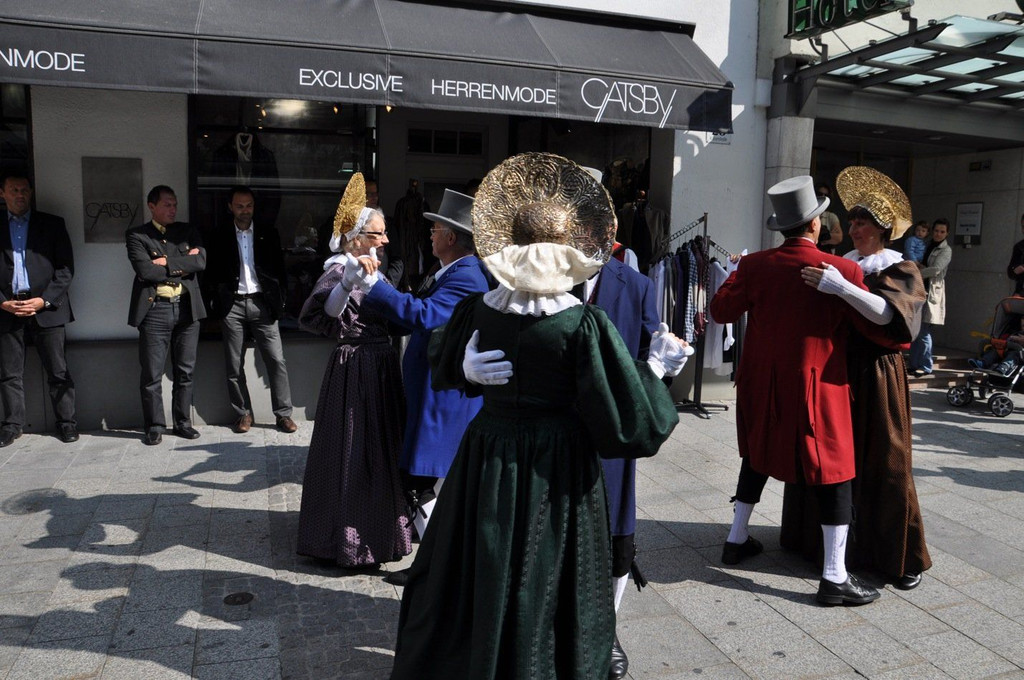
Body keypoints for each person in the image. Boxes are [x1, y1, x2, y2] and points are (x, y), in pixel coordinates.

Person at [387, 152, 684, 679]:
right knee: (546, 569)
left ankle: (480, 655)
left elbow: (441, 360)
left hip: (489, 453)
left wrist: (463, 369)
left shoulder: (478, 310)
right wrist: (657, 369)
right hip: (558, 464)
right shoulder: (581, 324)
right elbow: (629, 422)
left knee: (482, 557)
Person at [709, 175, 880, 607]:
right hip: (818, 383)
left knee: (757, 455)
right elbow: (872, 324)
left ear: (781, 225)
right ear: (815, 224)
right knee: (834, 470)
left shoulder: (755, 266)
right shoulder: (844, 269)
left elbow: (720, 311)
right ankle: (834, 576)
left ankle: (736, 539)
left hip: (762, 382)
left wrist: (734, 272)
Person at [782, 165, 931, 591]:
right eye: (851, 221)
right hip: (839, 368)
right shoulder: (842, 263)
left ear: (881, 228)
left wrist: (843, 289)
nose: (852, 228)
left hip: (879, 372)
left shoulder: (900, 267)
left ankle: (898, 556)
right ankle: (826, 547)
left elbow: (891, 319)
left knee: (887, 459)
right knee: (831, 457)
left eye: (861, 222)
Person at [359, 188, 490, 547]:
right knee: (418, 478)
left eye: (434, 230)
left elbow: (426, 315)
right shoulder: (449, 269)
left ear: (451, 237)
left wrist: (374, 285)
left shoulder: (467, 275)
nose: (429, 235)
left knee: (421, 480)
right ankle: (430, 547)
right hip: (431, 393)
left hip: (442, 398)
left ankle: (435, 556)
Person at [295, 173, 412, 568]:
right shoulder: (339, 269)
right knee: (352, 450)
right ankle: (346, 538)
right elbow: (328, 313)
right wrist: (347, 281)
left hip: (381, 364)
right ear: (357, 238)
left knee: (381, 449)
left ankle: (382, 531)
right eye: (378, 234)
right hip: (356, 366)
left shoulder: (375, 268)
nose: (386, 240)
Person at [204, 186, 296, 434]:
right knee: (234, 364)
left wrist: (281, 301)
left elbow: (279, 271)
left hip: (263, 304)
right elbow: (211, 272)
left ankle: (283, 414)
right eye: (240, 206)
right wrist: (215, 301)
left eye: (249, 206)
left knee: (276, 360)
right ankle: (243, 414)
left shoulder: (268, 233)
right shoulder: (219, 234)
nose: (245, 211)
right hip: (232, 305)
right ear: (230, 207)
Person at [0, 172, 77, 446]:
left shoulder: (52, 224)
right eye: (13, 190)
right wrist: (2, 302)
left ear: (31, 193)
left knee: (58, 371)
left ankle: (67, 423)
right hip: (7, 309)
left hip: (46, 310)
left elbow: (66, 270)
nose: (19, 194)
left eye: (24, 189)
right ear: (2, 194)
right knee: (9, 374)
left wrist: (44, 300)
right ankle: (12, 425)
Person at [126, 185, 207, 445]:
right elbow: (146, 271)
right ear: (152, 206)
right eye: (167, 205)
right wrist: (183, 264)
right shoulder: (137, 235)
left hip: (186, 308)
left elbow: (200, 262)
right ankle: (154, 425)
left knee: (185, 371)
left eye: (175, 204)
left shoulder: (188, 231)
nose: (173, 209)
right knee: (152, 373)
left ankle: (183, 422)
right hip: (155, 310)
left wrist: (165, 262)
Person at [909, 218, 952, 377]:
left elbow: (935, 269)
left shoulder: (946, 250)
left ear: (947, 233)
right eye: (936, 231)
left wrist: (916, 273)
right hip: (919, 289)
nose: (938, 234)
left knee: (923, 331)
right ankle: (914, 364)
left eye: (942, 232)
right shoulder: (926, 245)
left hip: (931, 291)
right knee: (915, 330)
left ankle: (926, 365)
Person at [815, 183, 843, 255]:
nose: (823, 197)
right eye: (819, 194)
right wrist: (829, 236)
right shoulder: (808, 214)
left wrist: (823, 237)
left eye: (826, 195)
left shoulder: (831, 217)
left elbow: (839, 238)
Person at [1007, 213, 1024, 295]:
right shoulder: (1019, 247)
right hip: (1021, 291)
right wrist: (1015, 271)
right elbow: (1010, 272)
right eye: (1023, 227)